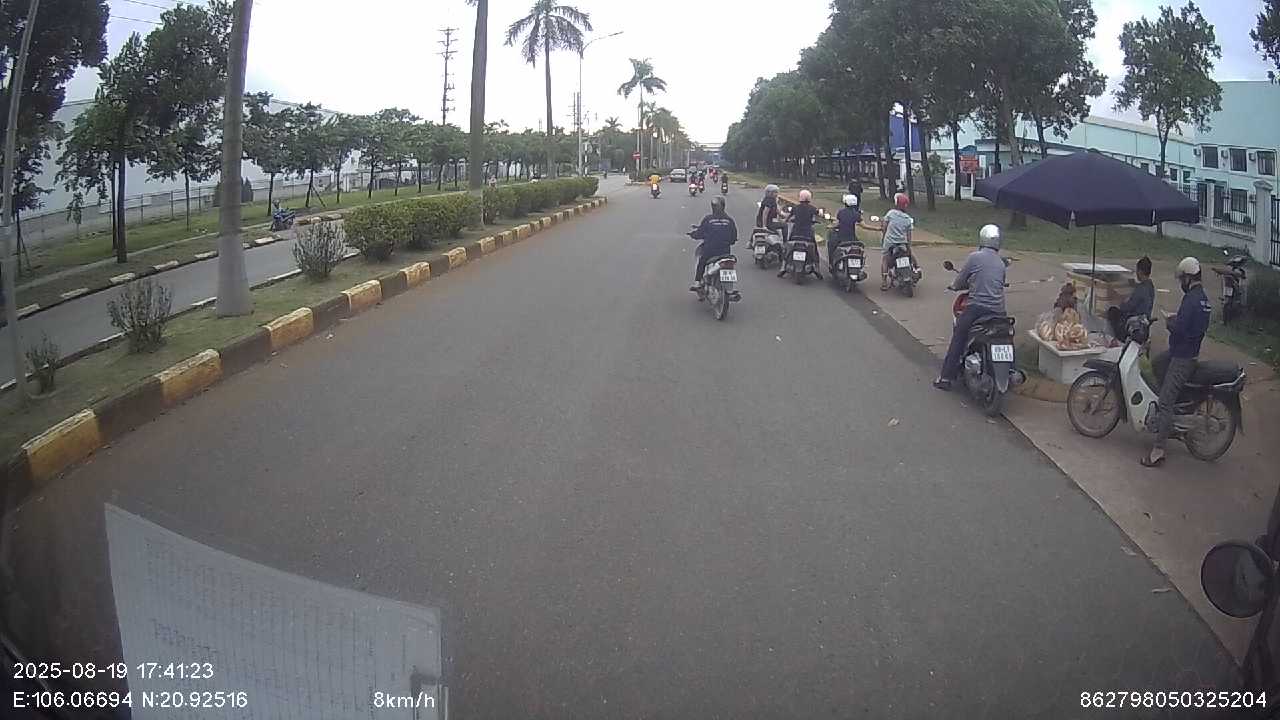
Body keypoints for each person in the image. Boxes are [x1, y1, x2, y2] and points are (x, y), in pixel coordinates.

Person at [1142, 257, 1212, 468]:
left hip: (1183, 357)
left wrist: (1170, 322)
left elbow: (1181, 329)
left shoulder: (1191, 300)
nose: (1181, 283)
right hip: (1181, 352)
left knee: (1165, 401)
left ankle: (1158, 450)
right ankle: (1171, 409)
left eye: (1182, 279)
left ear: (1188, 278)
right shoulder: (1202, 298)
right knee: (1157, 364)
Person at [934, 225, 1007, 391]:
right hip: (998, 311)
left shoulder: (975, 257)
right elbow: (1001, 283)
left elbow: (961, 280)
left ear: (982, 239)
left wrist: (954, 286)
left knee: (959, 336)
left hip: (977, 308)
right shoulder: (1001, 263)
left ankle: (946, 377)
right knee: (1003, 335)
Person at [689, 195, 738, 291]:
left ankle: (697, 282)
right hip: (725, 251)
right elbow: (734, 237)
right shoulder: (729, 220)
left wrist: (693, 235)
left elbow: (700, 233)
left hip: (710, 250)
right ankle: (729, 290)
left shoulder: (708, 219)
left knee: (702, 262)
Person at [1106, 256, 1155, 341]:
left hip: (1135, 324)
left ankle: (1118, 338)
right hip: (1144, 321)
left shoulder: (1141, 290)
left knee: (1112, 312)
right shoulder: (1150, 285)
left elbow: (1126, 308)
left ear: (1140, 271)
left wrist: (1117, 299)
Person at [780, 189, 821, 279]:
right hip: (808, 234)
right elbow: (818, 216)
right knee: (814, 250)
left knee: (787, 247)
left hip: (796, 233)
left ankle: (783, 267)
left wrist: (785, 220)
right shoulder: (812, 208)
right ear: (809, 198)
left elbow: (787, 218)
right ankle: (817, 268)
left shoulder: (795, 208)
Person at [880, 193, 917, 290]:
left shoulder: (891, 213)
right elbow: (909, 235)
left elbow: (884, 227)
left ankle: (884, 282)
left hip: (890, 242)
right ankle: (916, 268)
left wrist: (883, 237)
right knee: (910, 256)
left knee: (885, 259)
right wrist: (909, 246)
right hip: (902, 243)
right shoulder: (908, 219)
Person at [829, 193, 862, 268]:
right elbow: (864, 225)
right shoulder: (857, 214)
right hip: (852, 238)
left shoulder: (841, 212)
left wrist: (831, 227)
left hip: (841, 238)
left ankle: (831, 264)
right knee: (860, 248)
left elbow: (838, 224)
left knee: (831, 245)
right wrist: (878, 228)